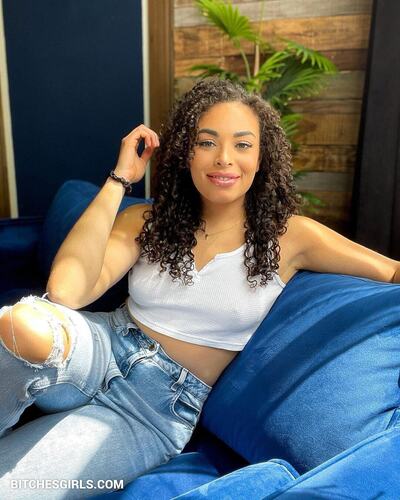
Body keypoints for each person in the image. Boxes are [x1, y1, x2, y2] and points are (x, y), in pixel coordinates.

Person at [0, 78, 398, 498]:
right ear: (185, 152)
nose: (224, 158)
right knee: (20, 323)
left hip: (154, 409)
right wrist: (120, 180)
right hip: (100, 348)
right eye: (207, 142)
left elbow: (390, 272)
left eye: (242, 144)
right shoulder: (147, 221)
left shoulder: (291, 237)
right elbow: (67, 292)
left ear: (261, 157)